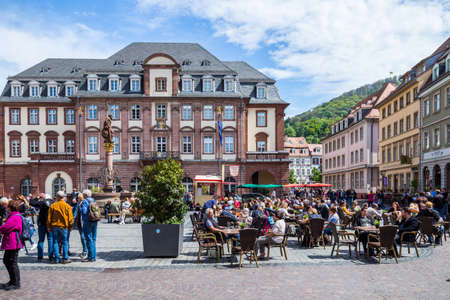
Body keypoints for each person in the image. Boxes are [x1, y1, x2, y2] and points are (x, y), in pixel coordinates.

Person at [0, 200, 23, 290]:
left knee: (12, 262)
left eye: (7, 207)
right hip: (11, 242)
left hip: (13, 243)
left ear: (10, 208)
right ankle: (13, 280)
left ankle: (16, 283)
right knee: (7, 261)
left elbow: (6, 227)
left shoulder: (15, 217)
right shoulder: (13, 216)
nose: (6, 209)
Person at [47, 191, 73, 264]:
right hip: (64, 227)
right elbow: (70, 218)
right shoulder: (67, 206)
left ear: (57, 197)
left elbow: (49, 218)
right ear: (63, 197)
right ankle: (65, 258)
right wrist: (70, 226)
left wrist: (48, 226)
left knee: (55, 242)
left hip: (54, 226)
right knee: (65, 242)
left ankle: (57, 259)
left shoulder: (53, 206)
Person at [29, 193, 54, 262]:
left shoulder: (42, 202)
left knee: (41, 240)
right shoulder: (53, 202)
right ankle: (51, 256)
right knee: (50, 240)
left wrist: (37, 197)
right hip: (50, 224)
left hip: (42, 224)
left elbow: (31, 202)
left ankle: (40, 257)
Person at [80, 189, 97, 262]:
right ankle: (93, 256)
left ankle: (90, 257)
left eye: (83, 194)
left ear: (85, 195)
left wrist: (80, 206)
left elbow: (84, 211)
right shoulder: (94, 200)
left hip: (87, 221)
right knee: (93, 239)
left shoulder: (84, 201)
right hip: (95, 221)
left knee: (88, 239)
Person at [75, 194, 88, 259]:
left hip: (84, 223)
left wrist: (80, 207)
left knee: (83, 237)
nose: (77, 199)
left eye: (78, 198)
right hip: (79, 223)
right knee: (82, 237)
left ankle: (85, 251)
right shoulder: (78, 203)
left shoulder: (84, 203)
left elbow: (84, 212)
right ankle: (84, 250)